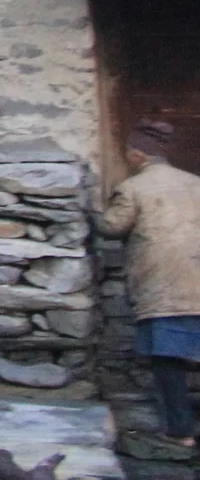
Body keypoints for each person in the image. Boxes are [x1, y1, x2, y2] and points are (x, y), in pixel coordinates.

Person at [102, 121, 200, 453]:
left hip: (164, 286)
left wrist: (90, 213)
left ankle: (180, 431)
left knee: (168, 361)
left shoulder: (134, 188)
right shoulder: (195, 184)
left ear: (137, 154)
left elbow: (112, 227)